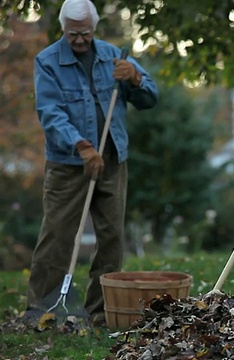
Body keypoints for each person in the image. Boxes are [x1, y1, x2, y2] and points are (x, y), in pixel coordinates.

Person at [25, 0, 158, 326]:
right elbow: (50, 114)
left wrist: (136, 80)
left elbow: (150, 98)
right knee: (57, 235)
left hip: (113, 160)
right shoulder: (48, 62)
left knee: (111, 238)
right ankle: (41, 311)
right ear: (63, 30)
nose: (79, 40)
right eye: (73, 34)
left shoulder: (114, 56)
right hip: (69, 165)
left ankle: (100, 313)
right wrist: (82, 146)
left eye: (84, 33)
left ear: (94, 28)